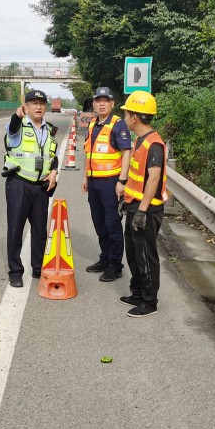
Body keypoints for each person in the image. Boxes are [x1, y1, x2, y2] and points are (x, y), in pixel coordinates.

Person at [3, 90, 59, 288]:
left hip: (41, 187)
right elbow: (11, 128)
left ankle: (38, 267)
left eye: (42, 103)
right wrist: (16, 116)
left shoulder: (50, 130)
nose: (38, 106)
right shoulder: (18, 126)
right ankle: (16, 271)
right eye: (33, 103)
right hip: (19, 183)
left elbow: (52, 155)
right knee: (16, 229)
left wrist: (53, 171)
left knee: (39, 230)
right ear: (25, 106)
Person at [119, 91, 167, 318]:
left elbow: (154, 178)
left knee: (146, 256)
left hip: (146, 209)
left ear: (134, 117)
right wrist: (127, 199)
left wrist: (142, 211)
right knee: (133, 253)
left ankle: (149, 302)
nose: (125, 118)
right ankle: (137, 292)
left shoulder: (154, 144)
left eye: (126, 114)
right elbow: (136, 178)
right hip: (134, 205)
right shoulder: (140, 140)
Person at [81, 86, 132, 282]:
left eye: (106, 100)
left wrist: (122, 180)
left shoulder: (118, 124)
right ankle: (105, 258)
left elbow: (126, 152)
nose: (101, 104)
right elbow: (88, 152)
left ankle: (115, 266)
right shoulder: (93, 124)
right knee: (99, 223)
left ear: (112, 103)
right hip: (94, 182)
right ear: (94, 104)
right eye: (98, 100)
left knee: (112, 224)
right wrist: (85, 177)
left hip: (111, 182)